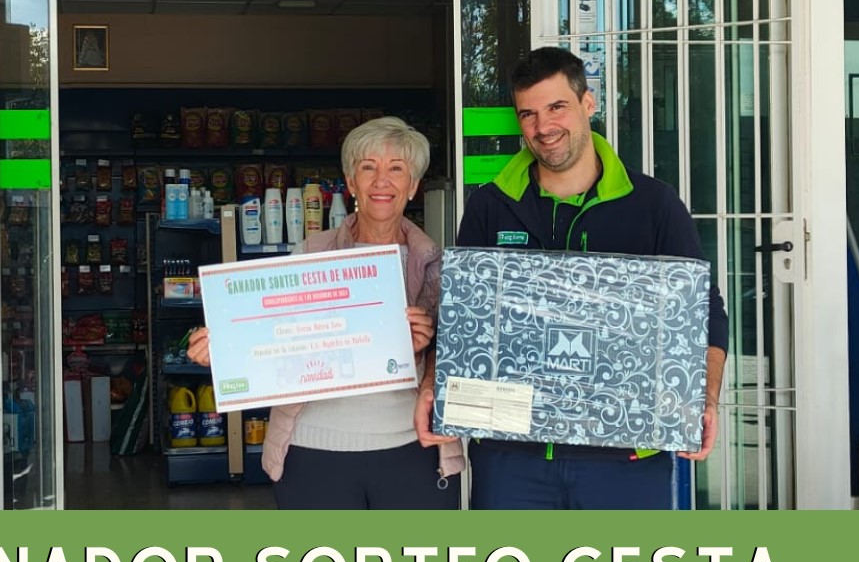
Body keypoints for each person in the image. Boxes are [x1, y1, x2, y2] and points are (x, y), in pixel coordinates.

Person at [417, 46, 727, 511]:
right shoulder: (490, 205)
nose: (543, 127)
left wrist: (706, 398)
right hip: (511, 456)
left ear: (588, 103)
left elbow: (703, 312)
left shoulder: (653, 205)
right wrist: (432, 385)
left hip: (626, 454)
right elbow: (461, 315)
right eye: (528, 114)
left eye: (556, 107)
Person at [189, 116, 463, 509]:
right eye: (368, 167)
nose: (381, 181)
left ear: (413, 185)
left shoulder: (438, 263)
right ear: (351, 182)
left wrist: (422, 349)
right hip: (314, 451)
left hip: (412, 449)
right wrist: (225, 349)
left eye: (396, 169)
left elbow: (461, 358)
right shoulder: (309, 253)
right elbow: (276, 337)